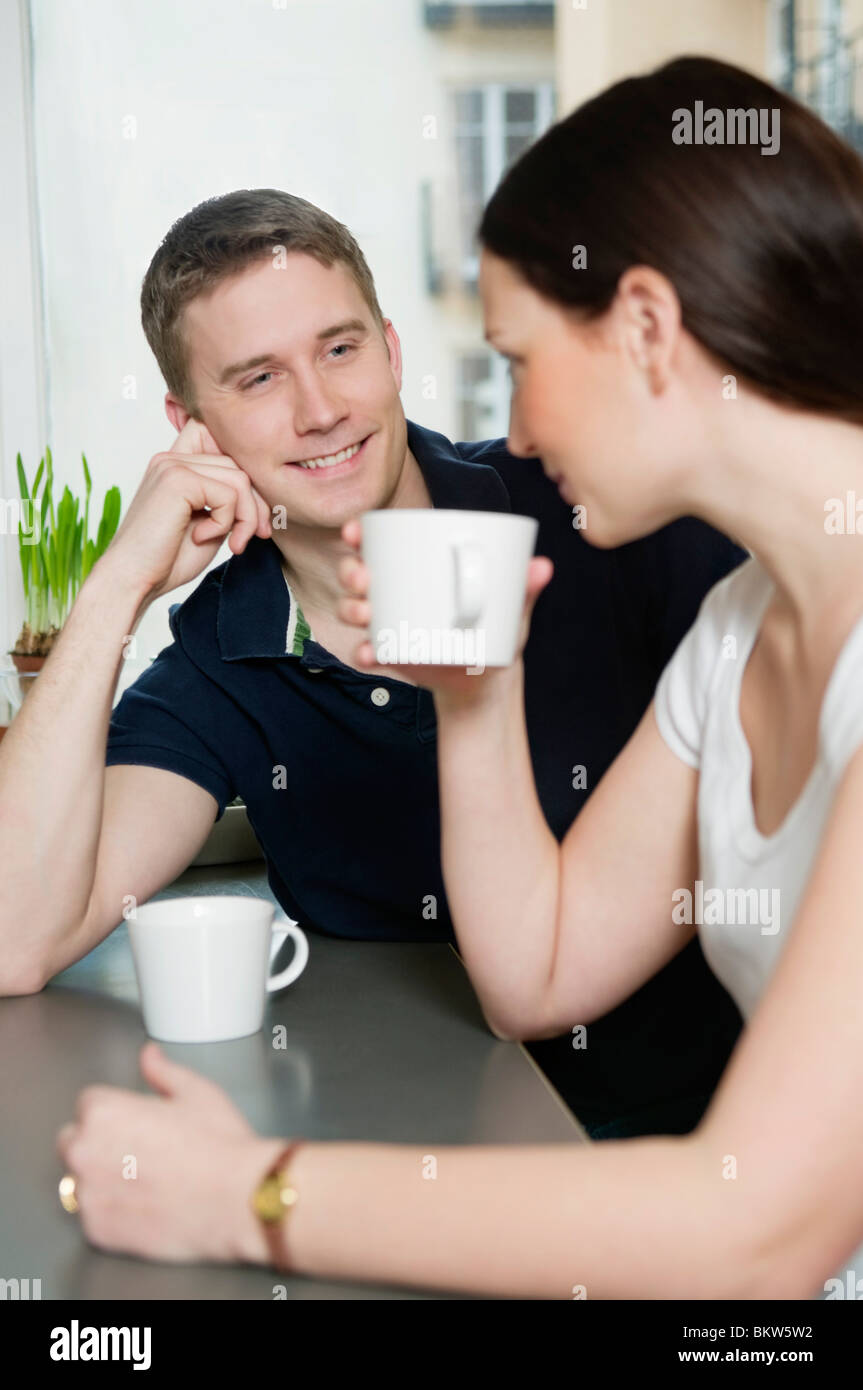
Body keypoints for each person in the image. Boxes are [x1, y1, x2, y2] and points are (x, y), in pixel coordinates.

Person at [50, 52, 863, 1299]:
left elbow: (755, 1224)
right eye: (261, 377)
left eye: (521, 360)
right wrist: (471, 692)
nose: (518, 429)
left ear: (643, 326)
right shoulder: (742, 633)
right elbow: (533, 976)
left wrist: (249, 1192)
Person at [0, 188, 745, 1141]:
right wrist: (116, 588)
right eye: (258, 379)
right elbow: (18, 937)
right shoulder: (221, 659)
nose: (320, 411)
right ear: (192, 428)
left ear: (392, 353)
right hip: (413, 1161)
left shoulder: (592, 510)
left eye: (339, 350)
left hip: (706, 1156)